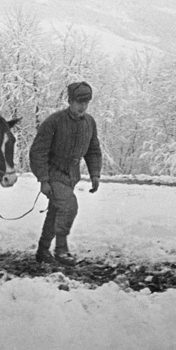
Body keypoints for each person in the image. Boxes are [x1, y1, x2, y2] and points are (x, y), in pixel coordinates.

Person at [29, 81, 102, 266]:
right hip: (53, 173)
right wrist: (44, 180)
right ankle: (61, 250)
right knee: (69, 206)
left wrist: (95, 174)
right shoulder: (54, 121)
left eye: (86, 103)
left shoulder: (89, 122)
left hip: (71, 176)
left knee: (56, 211)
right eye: (79, 102)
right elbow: (38, 152)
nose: (83, 106)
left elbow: (93, 150)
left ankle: (43, 249)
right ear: (70, 101)